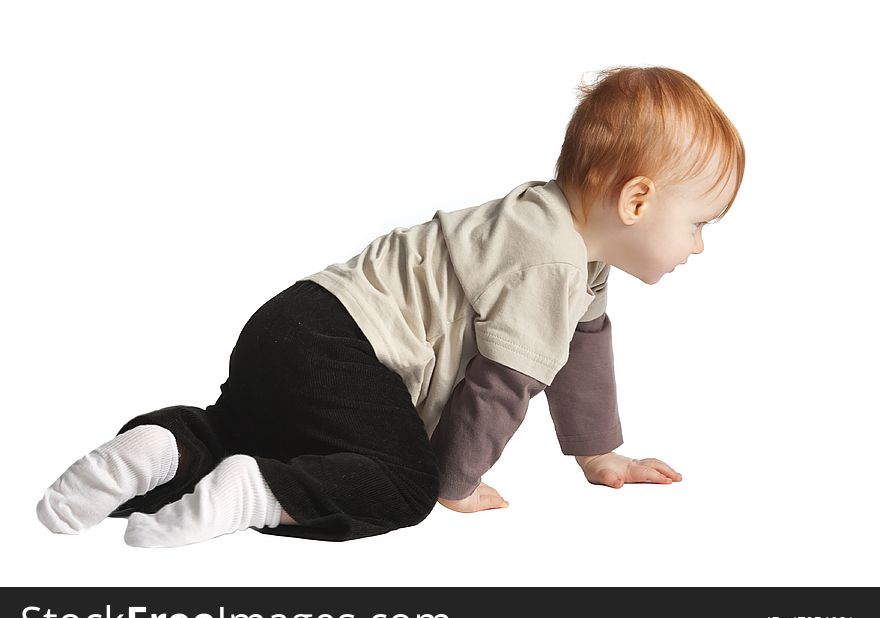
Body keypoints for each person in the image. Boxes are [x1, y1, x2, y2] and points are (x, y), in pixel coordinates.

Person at [36, 65, 745, 546]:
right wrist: (455, 481)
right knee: (403, 484)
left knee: (245, 423)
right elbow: (500, 386)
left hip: (293, 323)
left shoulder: (555, 227)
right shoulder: (553, 265)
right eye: (699, 223)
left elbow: (581, 345)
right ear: (637, 200)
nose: (698, 245)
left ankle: (163, 447)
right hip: (348, 349)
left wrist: (599, 453)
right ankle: (259, 490)